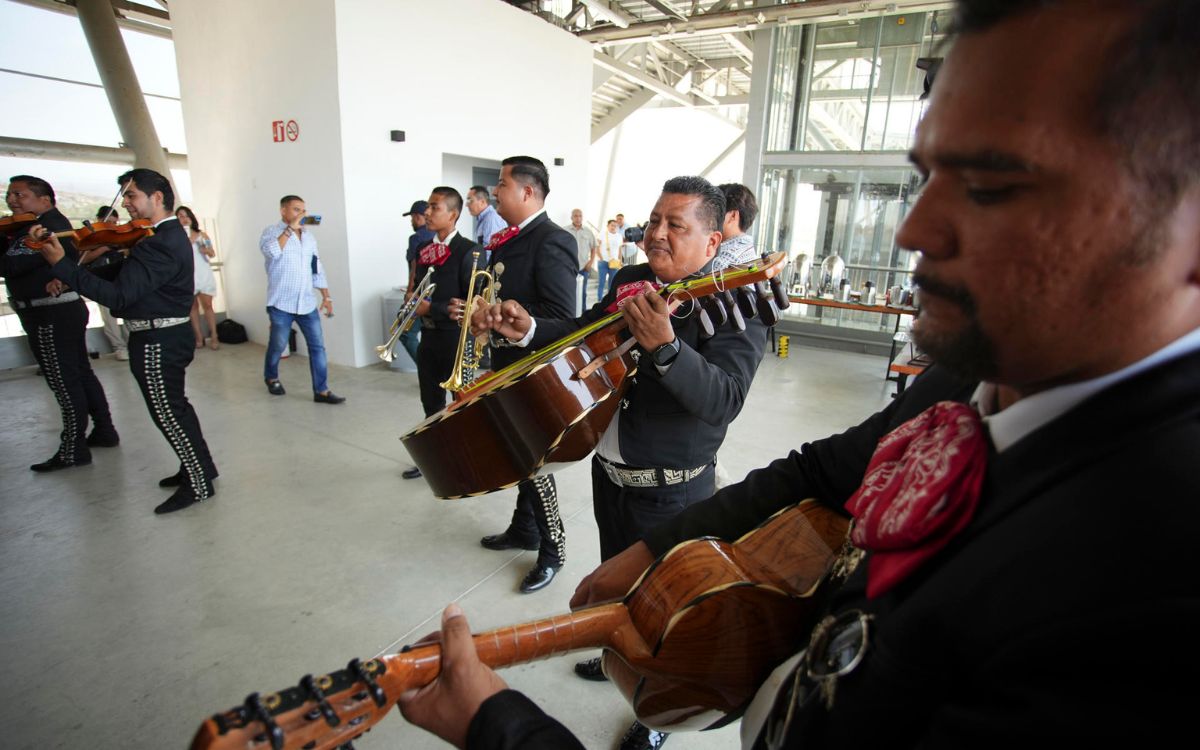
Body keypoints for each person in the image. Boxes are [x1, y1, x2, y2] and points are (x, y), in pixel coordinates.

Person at [398, 1, 1200, 747]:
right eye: (926, 178)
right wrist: (654, 550)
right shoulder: (967, 378)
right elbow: (822, 467)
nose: (915, 229)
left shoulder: (1152, 577)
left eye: (992, 184)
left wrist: (499, 729)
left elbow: (721, 402)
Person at [472, 175, 770, 750]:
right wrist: (529, 328)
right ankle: (617, 657)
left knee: (663, 611)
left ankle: (654, 714)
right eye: (654, 219)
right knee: (616, 587)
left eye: (675, 225)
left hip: (673, 492)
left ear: (712, 243)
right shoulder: (633, 280)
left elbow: (724, 400)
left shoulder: (738, 302)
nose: (655, 233)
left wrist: (667, 347)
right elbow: (585, 334)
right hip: (608, 472)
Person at [33, 169, 219, 514]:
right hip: (162, 334)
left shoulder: (159, 243)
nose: (127, 204)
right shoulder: (159, 237)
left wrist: (64, 266)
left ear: (157, 197)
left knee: (167, 411)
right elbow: (128, 275)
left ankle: (198, 482)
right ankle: (201, 467)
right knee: (176, 407)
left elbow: (119, 296)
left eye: (131, 196)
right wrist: (70, 276)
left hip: (157, 339)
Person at [476, 155, 578, 594]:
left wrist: (511, 321)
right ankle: (524, 529)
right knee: (521, 457)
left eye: (501, 184)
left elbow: (560, 315)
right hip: (506, 365)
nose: (495, 192)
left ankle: (553, 548)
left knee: (535, 463)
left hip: (533, 370)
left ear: (527, 191)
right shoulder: (509, 240)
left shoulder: (552, 240)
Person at [3, 175, 119, 470]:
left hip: (50, 313)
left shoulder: (46, 228)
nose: (12, 200)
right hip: (55, 311)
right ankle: (104, 431)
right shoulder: (30, 227)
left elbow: (10, 265)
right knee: (79, 373)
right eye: (10, 194)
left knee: (63, 380)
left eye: (20, 195)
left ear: (44, 199)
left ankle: (73, 449)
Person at [402, 187, 485, 480]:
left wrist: (431, 309)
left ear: (453, 214)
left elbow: (472, 304)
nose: (427, 212)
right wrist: (413, 299)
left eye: (434, 207)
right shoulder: (425, 250)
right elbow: (421, 288)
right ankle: (435, 459)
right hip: (430, 338)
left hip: (456, 340)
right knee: (431, 403)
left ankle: (469, 459)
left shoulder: (470, 251)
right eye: (428, 207)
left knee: (461, 403)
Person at [258, 195, 345, 404]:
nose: (301, 214)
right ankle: (271, 377)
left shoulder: (309, 238)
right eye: (296, 209)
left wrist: (326, 296)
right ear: (283, 211)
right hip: (281, 304)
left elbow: (316, 268)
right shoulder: (271, 232)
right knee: (278, 345)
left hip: (306, 303)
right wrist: (290, 229)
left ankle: (321, 391)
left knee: (317, 347)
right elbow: (271, 252)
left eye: (303, 210)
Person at [176, 206, 218, 350]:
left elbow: (212, 253)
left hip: (203, 274)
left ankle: (214, 336)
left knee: (208, 306)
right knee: (192, 308)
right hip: (187, 277)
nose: (184, 218)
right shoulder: (177, 238)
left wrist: (205, 249)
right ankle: (199, 338)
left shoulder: (202, 235)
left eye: (186, 215)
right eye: (180, 216)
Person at [399, 199, 434, 366]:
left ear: (418, 216)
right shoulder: (437, 235)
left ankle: (427, 369)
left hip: (419, 295)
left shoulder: (416, 238)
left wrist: (410, 291)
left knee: (405, 333)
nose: (411, 221)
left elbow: (415, 267)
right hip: (435, 295)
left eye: (412, 217)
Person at [93, 205, 129, 360]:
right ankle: (119, 347)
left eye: (115, 222)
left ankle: (132, 344)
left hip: (121, 278)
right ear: (100, 220)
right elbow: (85, 257)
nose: (113, 226)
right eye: (110, 222)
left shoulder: (119, 237)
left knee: (129, 313)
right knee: (108, 316)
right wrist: (104, 248)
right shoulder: (93, 237)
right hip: (102, 279)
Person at [714, 183, 759, 269]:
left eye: (715, 212)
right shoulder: (746, 249)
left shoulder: (722, 262)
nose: (708, 219)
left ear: (733, 216)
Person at [564, 208, 597, 306]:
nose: (578, 218)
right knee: (567, 292)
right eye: (575, 216)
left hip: (583, 267)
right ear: (571, 217)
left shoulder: (588, 231)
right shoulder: (564, 230)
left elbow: (594, 247)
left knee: (582, 292)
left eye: (580, 216)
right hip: (568, 267)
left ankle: (583, 314)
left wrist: (590, 262)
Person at [597, 218, 622, 302]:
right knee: (601, 282)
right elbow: (597, 246)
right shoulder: (602, 234)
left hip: (614, 262)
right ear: (608, 226)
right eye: (612, 225)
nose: (613, 227)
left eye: (615, 226)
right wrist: (600, 258)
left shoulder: (619, 236)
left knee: (612, 284)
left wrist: (620, 260)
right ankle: (599, 300)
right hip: (603, 262)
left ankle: (608, 301)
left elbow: (619, 249)